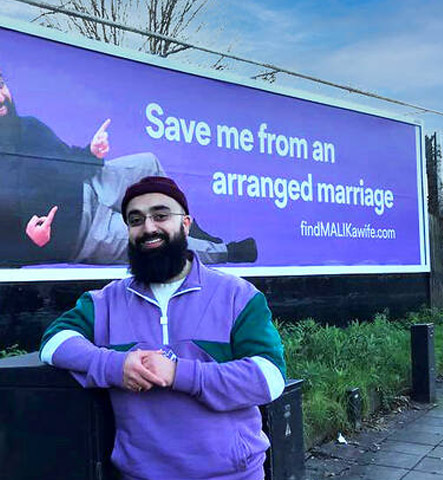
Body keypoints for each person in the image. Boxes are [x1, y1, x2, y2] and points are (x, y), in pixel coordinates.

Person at [39, 176, 286, 480]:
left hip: (233, 474)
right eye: (136, 220)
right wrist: (115, 365)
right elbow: (54, 342)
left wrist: (179, 373)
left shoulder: (237, 296)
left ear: (186, 224)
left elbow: (270, 378)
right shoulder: (106, 302)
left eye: (160, 215)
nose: (148, 228)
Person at [0, 44, 255, 268]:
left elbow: (68, 161)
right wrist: (29, 244)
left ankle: (188, 225)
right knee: (158, 243)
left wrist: (91, 153)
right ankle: (226, 252)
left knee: (148, 163)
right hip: (84, 234)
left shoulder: (30, 127)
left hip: (91, 187)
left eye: (0, 83)